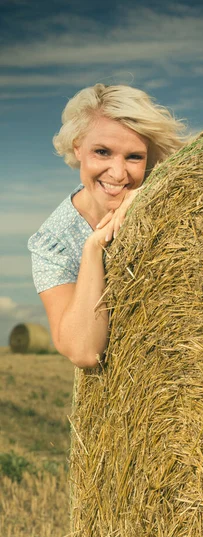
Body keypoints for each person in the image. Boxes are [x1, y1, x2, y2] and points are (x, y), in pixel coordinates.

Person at [28, 84, 185, 368]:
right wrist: (92, 248)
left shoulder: (173, 199)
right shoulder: (53, 243)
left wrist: (150, 200)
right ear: (77, 147)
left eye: (134, 156)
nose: (118, 172)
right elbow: (84, 352)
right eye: (102, 152)